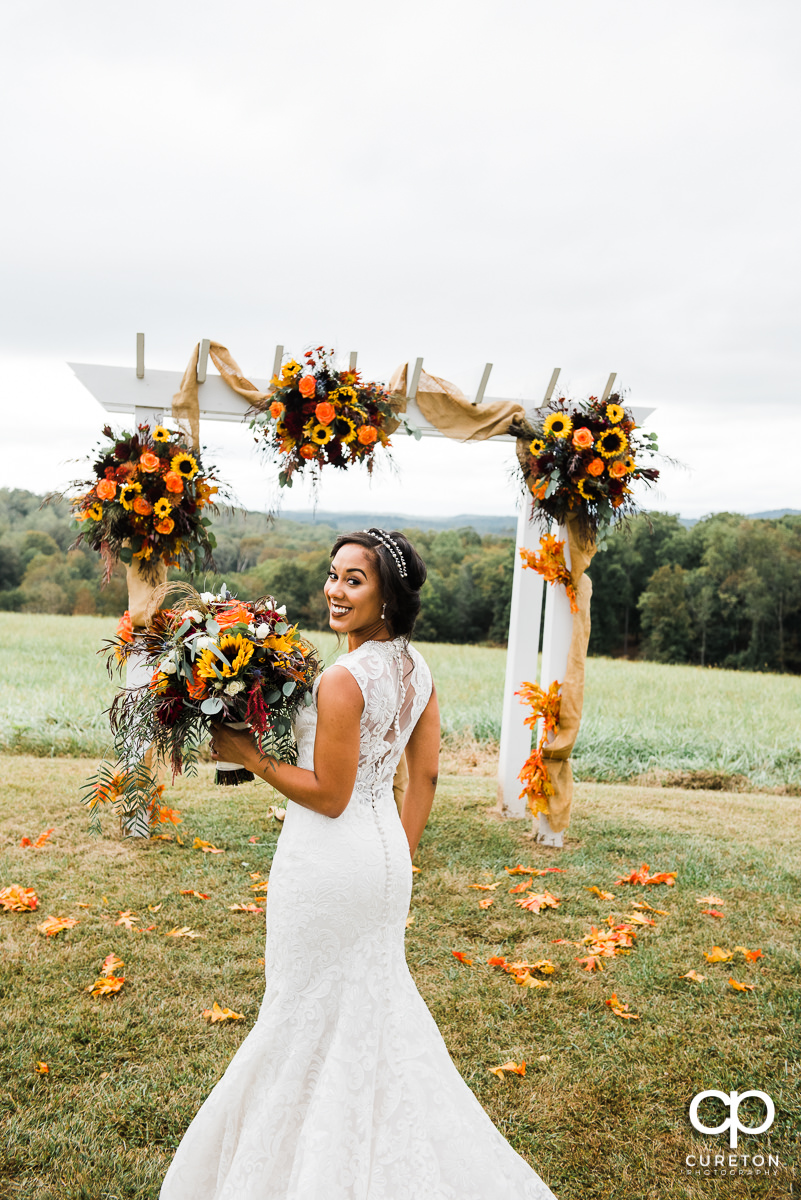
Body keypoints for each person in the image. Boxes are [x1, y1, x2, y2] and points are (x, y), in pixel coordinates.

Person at [160, 528, 558, 1200]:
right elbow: (424, 776)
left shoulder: (344, 679)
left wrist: (249, 754)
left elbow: (330, 795)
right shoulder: (415, 669)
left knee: (300, 1011)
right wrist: (393, 861)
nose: (334, 590)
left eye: (354, 580)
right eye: (333, 574)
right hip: (380, 863)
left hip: (326, 864)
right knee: (365, 1010)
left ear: (386, 597)